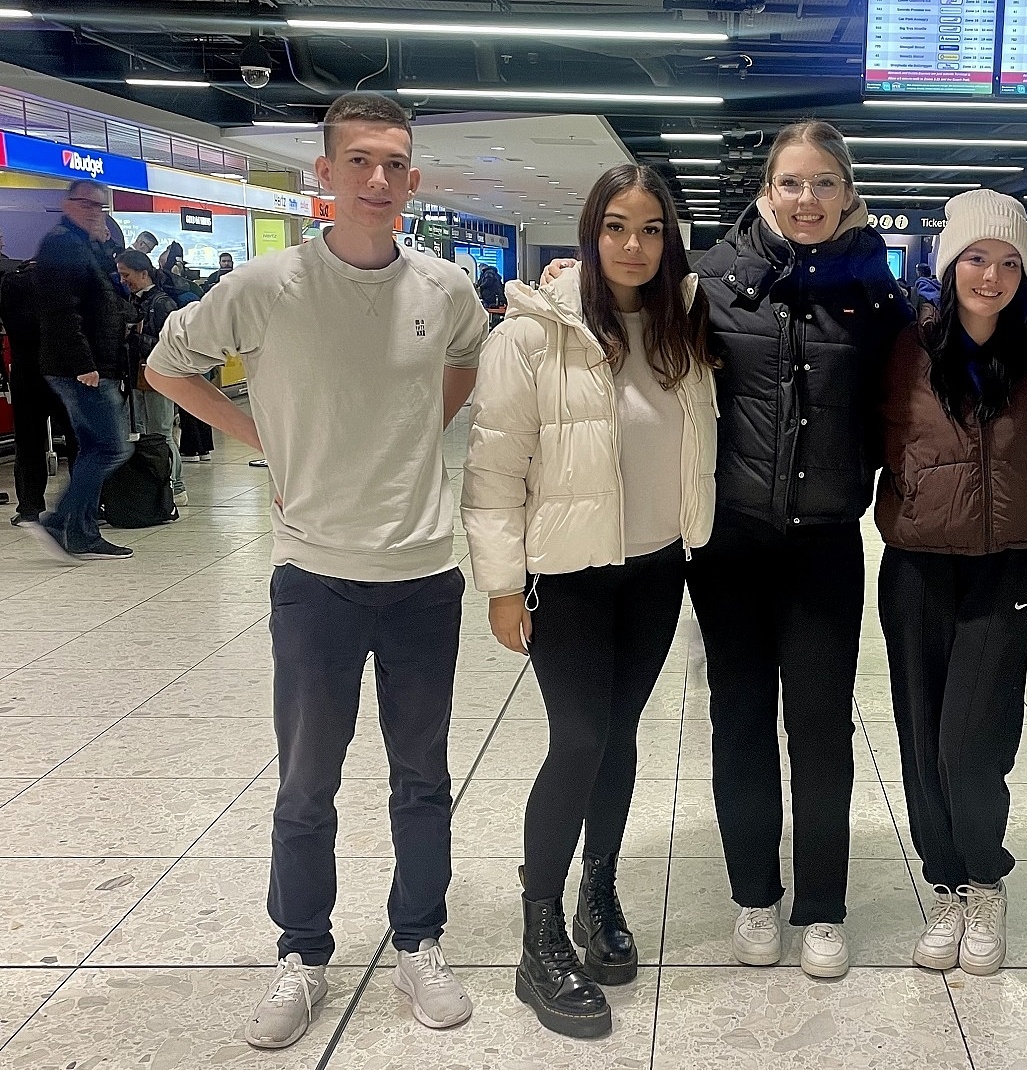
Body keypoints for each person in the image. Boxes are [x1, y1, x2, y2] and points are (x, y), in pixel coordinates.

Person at [146, 92, 489, 1050]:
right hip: (316, 579)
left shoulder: (447, 289)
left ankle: (419, 939)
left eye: (395, 164)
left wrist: (424, 425)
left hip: (423, 573)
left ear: (413, 180)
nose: (378, 180)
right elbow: (166, 368)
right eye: (360, 162)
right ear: (325, 177)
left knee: (422, 775)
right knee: (307, 780)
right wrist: (263, 437)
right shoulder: (263, 286)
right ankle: (302, 951)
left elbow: (464, 361)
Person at [464, 163, 716, 1039]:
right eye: (617, 227)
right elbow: (494, 471)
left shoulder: (685, 328)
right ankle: (539, 936)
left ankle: (598, 894)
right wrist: (501, 585)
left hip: (654, 571)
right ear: (589, 231)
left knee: (617, 736)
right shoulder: (534, 336)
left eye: (651, 229)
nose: (634, 246)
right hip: (567, 575)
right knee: (578, 738)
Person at [687, 121, 913, 978]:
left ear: (848, 193)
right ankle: (755, 898)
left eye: (823, 183)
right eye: (790, 183)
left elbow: (915, 391)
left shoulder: (874, 294)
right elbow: (627, 330)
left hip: (825, 544)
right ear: (765, 190)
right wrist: (570, 282)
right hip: (730, 545)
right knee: (738, 720)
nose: (806, 199)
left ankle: (821, 907)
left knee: (820, 727)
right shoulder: (706, 283)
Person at [876, 191, 1027, 976]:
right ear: (948, 263)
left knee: (973, 739)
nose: (991, 275)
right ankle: (946, 885)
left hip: (1010, 563)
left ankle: (986, 879)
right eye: (976, 258)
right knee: (922, 739)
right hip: (917, 563)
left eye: (1009, 261)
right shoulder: (904, 346)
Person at [24, 177, 134, 561]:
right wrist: (82, 364)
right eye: (87, 205)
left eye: (100, 207)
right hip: (82, 368)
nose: (94, 213)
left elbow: (112, 292)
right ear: (68, 204)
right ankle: (57, 523)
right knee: (111, 447)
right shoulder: (60, 244)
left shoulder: (84, 246)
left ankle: (82, 533)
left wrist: (105, 247)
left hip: (93, 364)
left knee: (92, 447)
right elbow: (59, 312)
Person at [0, 258, 77, 525]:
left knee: (29, 443)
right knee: (76, 440)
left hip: (25, 371)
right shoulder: (64, 283)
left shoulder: (11, 283)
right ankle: (84, 504)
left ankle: (30, 508)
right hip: (64, 372)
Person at [115, 250, 187, 505]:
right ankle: (157, 486)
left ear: (143, 273)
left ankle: (176, 486)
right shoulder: (134, 302)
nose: (123, 280)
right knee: (145, 433)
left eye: (127, 275)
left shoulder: (162, 303)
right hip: (138, 376)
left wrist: (134, 336)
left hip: (158, 377)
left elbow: (171, 345)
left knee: (162, 433)